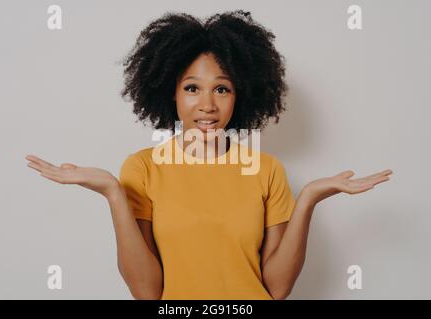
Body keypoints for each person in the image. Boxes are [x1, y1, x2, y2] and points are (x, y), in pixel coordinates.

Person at [25, 10, 393, 300]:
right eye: (191, 88)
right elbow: (146, 292)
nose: (207, 105)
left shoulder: (266, 170)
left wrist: (310, 198)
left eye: (221, 89)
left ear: (241, 94)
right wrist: (112, 193)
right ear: (170, 92)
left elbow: (277, 289)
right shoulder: (142, 169)